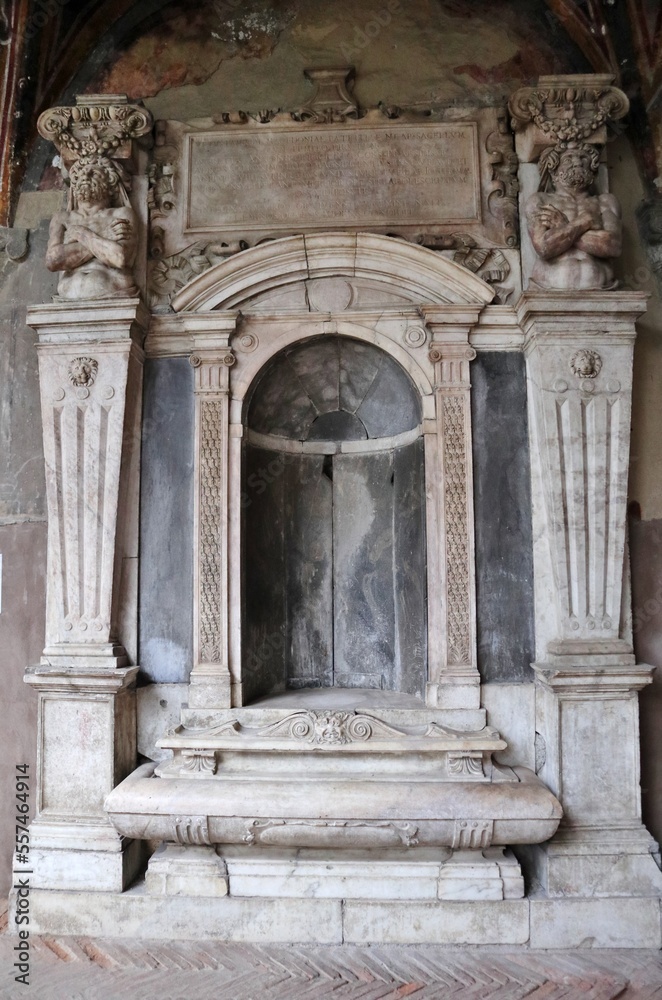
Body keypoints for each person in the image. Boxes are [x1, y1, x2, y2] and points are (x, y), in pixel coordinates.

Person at [526, 143, 621, 290]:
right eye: (568, 159)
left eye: (583, 158)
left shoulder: (605, 201)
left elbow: (612, 246)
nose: (577, 162)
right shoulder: (541, 200)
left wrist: (563, 228)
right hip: (549, 291)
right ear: (553, 169)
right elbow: (544, 247)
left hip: (601, 291)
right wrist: (583, 222)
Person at [46, 157, 138, 299]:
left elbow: (119, 257)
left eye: (94, 173)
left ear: (110, 183)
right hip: (67, 296)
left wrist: (80, 234)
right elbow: (53, 260)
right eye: (80, 175)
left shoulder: (121, 214)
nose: (85, 177)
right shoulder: (63, 218)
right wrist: (104, 235)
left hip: (113, 293)